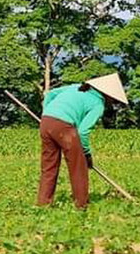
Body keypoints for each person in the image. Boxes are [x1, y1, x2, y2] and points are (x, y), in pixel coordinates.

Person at [37, 73, 128, 209]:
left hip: (46, 122)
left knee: (49, 166)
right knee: (78, 167)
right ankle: (81, 204)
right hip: (65, 127)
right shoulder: (98, 104)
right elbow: (83, 132)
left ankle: (43, 203)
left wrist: (47, 112)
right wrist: (87, 155)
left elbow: (50, 94)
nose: (112, 103)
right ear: (107, 95)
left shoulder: (75, 87)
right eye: (113, 100)